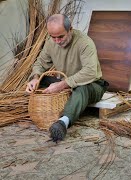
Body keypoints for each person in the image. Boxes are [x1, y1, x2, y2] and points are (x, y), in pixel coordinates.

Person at [26, 14, 108, 142]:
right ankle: (47, 108)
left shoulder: (85, 43)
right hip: (66, 82)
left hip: (92, 85)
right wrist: (35, 78)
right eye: (53, 37)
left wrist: (61, 85)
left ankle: (63, 122)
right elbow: (40, 63)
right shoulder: (50, 43)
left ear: (70, 29)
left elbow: (90, 72)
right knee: (39, 80)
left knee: (81, 88)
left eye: (60, 36)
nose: (57, 41)